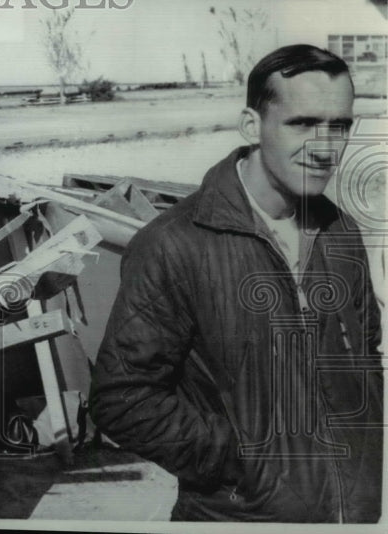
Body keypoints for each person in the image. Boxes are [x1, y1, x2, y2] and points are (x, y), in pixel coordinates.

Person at [90, 44, 383, 522]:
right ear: (252, 125)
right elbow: (123, 399)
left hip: (352, 515)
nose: (325, 147)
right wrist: (243, 462)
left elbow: (364, 354)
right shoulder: (174, 244)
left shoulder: (340, 231)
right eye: (303, 123)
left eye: (340, 125)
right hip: (240, 517)